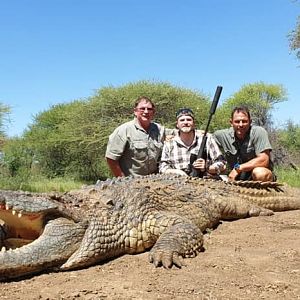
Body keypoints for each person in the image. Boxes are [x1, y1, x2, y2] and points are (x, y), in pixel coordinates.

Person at [105, 96, 172, 177]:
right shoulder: (123, 130)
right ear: (135, 111)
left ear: (153, 112)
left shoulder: (159, 129)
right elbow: (111, 159)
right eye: (142, 108)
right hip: (131, 182)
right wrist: (122, 180)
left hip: (154, 181)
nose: (146, 112)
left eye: (149, 109)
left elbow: (180, 133)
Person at [159, 108, 226, 177]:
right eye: (182, 120)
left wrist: (207, 167)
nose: (185, 122)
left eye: (189, 120)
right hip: (178, 182)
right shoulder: (169, 143)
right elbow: (162, 166)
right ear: (177, 124)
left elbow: (222, 163)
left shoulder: (207, 138)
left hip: (206, 181)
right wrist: (177, 172)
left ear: (194, 124)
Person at [213, 105, 274, 182]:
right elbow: (207, 140)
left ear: (250, 122)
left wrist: (238, 168)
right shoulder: (221, 135)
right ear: (231, 123)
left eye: (244, 121)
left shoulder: (259, 132)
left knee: (259, 173)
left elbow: (264, 160)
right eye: (237, 122)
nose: (241, 125)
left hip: (256, 175)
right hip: (236, 177)